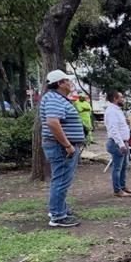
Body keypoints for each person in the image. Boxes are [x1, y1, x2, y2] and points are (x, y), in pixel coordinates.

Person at [40, 70, 85, 228]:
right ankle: (58, 216)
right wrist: (67, 145)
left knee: (62, 179)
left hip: (61, 146)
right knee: (61, 180)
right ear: (59, 83)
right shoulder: (54, 98)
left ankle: (59, 209)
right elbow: (53, 122)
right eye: (67, 80)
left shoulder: (57, 98)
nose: (70, 83)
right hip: (61, 147)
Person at [104, 91, 131, 198]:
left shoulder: (117, 110)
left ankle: (122, 186)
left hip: (123, 142)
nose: (123, 99)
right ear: (115, 99)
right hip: (117, 143)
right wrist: (121, 144)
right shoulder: (112, 111)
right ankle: (117, 190)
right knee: (117, 167)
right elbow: (113, 130)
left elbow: (120, 126)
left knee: (124, 166)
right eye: (121, 97)